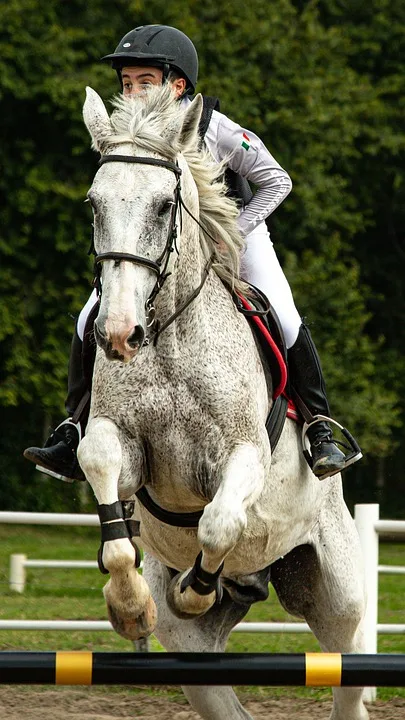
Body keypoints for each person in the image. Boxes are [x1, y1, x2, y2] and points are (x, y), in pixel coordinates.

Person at [24, 24, 358, 481]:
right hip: (160, 249)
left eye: (145, 81)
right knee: (88, 318)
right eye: (126, 83)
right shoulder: (125, 136)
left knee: (285, 314)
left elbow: (278, 181)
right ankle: (73, 429)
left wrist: (232, 232)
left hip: (235, 235)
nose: (133, 92)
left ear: (177, 84)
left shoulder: (215, 129)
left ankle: (320, 429)